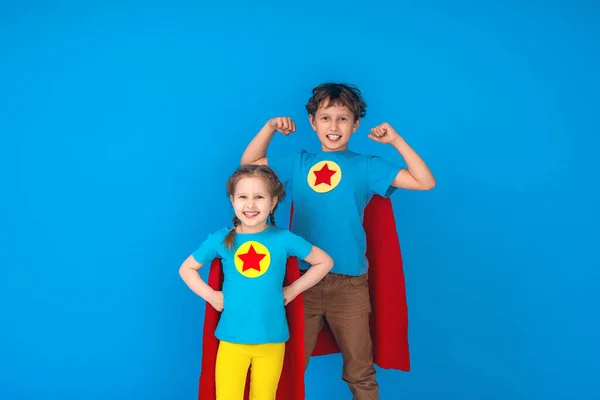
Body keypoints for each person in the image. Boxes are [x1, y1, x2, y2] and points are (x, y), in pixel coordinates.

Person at [240, 82, 436, 400]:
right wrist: (269, 129)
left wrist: (396, 141)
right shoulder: (298, 162)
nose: (334, 126)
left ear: (356, 125)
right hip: (302, 282)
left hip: (350, 285)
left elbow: (425, 181)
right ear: (313, 122)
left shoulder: (367, 165)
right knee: (286, 366)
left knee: (360, 371)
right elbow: (248, 167)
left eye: (343, 119)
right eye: (326, 117)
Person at [179, 164, 333, 400]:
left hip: (272, 341)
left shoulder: (283, 239)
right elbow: (187, 268)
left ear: (272, 202)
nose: (250, 205)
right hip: (231, 341)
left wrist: (293, 290)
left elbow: (324, 262)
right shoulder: (221, 239)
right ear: (232, 200)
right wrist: (211, 295)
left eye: (259, 197)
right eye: (243, 197)